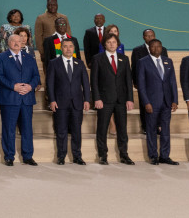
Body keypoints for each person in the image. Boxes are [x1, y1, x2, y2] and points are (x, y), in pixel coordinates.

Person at [0, 34, 40, 166]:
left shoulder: (30, 58)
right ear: (8, 43)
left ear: (23, 43)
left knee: (27, 129)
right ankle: (9, 156)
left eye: (19, 41)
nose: (16, 43)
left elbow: (36, 75)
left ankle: (28, 156)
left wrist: (31, 86)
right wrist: (13, 86)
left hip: (27, 98)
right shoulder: (1, 57)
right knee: (9, 129)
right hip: (9, 99)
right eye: (13, 41)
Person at [89, 34, 134, 165]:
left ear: (118, 44)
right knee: (102, 129)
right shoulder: (97, 59)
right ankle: (103, 155)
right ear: (104, 45)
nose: (112, 44)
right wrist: (96, 98)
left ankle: (124, 155)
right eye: (109, 42)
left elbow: (128, 81)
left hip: (121, 100)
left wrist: (130, 99)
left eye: (114, 42)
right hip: (104, 100)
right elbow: (94, 81)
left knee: (122, 129)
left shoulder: (124, 59)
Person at [45, 38, 90, 165]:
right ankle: (61, 156)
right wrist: (52, 100)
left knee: (76, 130)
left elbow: (85, 84)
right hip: (60, 102)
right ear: (61, 48)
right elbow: (50, 84)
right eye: (65, 46)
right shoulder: (54, 63)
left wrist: (87, 99)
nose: (68, 49)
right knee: (61, 130)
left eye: (71, 46)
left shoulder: (80, 63)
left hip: (77, 103)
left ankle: (77, 156)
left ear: (74, 48)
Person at [136, 39, 179, 165]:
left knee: (166, 130)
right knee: (151, 130)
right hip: (152, 103)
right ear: (149, 48)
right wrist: (146, 102)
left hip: (167, 102)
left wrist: (175, 100)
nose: (156, 49)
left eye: (158, 46)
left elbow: (172, 82)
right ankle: (153, 156)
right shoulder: (143, 62)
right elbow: (141, 85)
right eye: (153, 47)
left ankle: (165, 156)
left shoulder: (168, 61)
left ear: (161, 47)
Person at [131, 29, 171, 134]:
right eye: (147, 36)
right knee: (144, 105)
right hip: (144, 83)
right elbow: (134, 67)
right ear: (143, 37)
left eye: (152, 35)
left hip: (159, 84)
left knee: (160, 104)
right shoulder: (137, 50)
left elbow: (165, 68)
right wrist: (135, 82)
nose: (150, 38)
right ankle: (145, 126)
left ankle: (158, 126)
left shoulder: (163, 50)